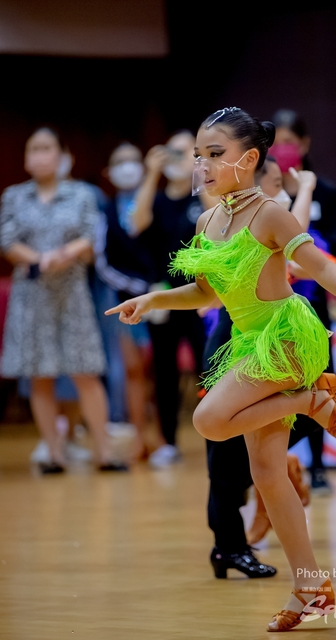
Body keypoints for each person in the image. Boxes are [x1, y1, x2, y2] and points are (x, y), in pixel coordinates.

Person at [106, 107, 336, 631]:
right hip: (246, 345)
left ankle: (310, 399)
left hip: (285, 340)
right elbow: (206, 292)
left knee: (208, 420)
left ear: (249, 159)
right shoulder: (208, 221)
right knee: (267, 475)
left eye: (215, 154)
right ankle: (311, 589)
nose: (202, 164)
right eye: (200, 155)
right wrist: (152, 300)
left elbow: (318, 265)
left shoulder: (269, 214)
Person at [204, 155, 315, 578]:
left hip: (278, 334)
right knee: (223, 452)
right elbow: (204, 292)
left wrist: (303, 192)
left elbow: (303, 250)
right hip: (234, 337)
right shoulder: (220, 218)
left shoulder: (269, 215)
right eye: (276, 183)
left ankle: (306, 582)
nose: (280, 191)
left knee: (262, 462)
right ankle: (228, 544)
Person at [0, 127, 127, 473]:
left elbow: (91, 235)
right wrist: (40, 259)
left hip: (72, 293)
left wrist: (65, 254)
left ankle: (105, 452)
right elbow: (7, 240)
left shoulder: (81, 194)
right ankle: (54, 455)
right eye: (34, 149)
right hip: (32, 294)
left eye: (47, 148)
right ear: (26, 158)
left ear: (61, 155)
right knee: (40, 374)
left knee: (86, 370)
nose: (40, 155)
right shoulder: (14, 196)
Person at [270, 109, 336, 494]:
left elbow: (335, 246)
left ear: (304, 144)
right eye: (275, 142)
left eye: (288, 142)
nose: (281, 149)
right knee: (277, 385)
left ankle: (317, 466)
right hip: (271, 304)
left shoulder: (325, 191)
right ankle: (275, 464)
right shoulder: (264, 192)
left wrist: (306, 260)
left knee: (322, 381)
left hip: (313, 302)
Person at [130, 131, 214, 468]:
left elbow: (217, 224)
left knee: (208, 363)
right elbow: (137, 223)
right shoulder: (157, 198)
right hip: (164, 297)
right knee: (164, 370)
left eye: (187, 153)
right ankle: (168, 441)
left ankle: (218, 434)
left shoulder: (200, 199)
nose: (179, 159)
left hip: (202, 295)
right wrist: (151, 173)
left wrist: (200, 177)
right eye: (173, 152)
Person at [95, 142, 165, 460]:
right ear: (108, 172)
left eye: (133, 160)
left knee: (161, 370)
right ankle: (139, 437)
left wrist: (157, 289)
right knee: (134, 370)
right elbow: (103, 261)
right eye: (120, 161)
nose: (127, 167)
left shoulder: (159, 203)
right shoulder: (105, 211)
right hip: (126, 298)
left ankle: (164, 436)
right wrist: (138, 288)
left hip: (164, 296)